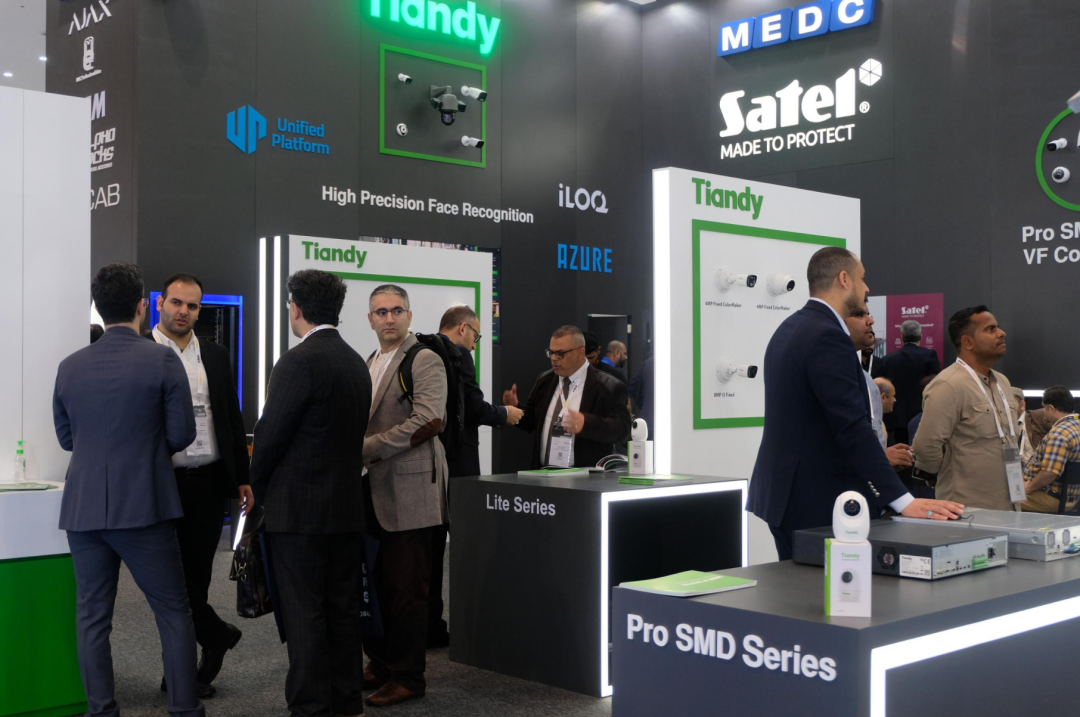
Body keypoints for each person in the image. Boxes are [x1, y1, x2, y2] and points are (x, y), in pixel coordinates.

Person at [53, 263, 204, 717]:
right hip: (144, 505)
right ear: (143, 306)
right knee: (172, 612)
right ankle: (183, 710)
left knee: (92, 617)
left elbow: (67, 438)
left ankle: (101, 710)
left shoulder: (69, 366)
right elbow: (182, 433)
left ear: (98, 308)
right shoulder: (162, 360)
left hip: (83, 509)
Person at [746, 247, 963, 560]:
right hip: (815, 498)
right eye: (862, 279)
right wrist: (903, 500)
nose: (866, 287)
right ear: (844, 279)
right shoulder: (827, 335)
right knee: (828, 589)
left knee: (799, 586)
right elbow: (850, 426)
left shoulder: (790, 328)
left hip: (785, 495)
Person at [250, 269, 371, 717]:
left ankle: (310, 707)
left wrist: (257, 489)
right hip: (346, 508)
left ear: (296, 308)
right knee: (342, 610)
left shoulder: (297, 361)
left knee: (303, 612)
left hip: (298, 514)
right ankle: (347, 700)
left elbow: (269, 438)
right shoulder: (356, 361)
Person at [153, 274, 252, 698]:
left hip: (209, 482)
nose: (183, 312)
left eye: (192, 306)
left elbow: (230, 416)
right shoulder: (143, 351)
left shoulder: (214, 353)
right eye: (176, 302)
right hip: (162, 482)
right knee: (168, 581)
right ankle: (215, 634)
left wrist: (243, 477)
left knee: (196, 576)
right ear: (159, 303)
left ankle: (182, 671)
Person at [362, 284, 449, 707]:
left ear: (409, 316)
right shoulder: (370, 361)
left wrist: (367, 448)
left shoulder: (424, 358)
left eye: (397, 310)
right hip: (374, 491)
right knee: (378, 586)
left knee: (408, 591)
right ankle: (382, 664)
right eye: (381, 312)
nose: (389, 318)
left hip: (412, 492)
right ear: (370, 319)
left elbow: (429, 421)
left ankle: (409, 677)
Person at [427, 305, 524, 647]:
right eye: (477, 336)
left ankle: (429, 624)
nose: (474, 343)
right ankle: (472, 627)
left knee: (430, 551)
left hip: (430, 464)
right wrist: (504, 413)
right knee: (468, 549)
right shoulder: (458, 355)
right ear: (463, 328)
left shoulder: (423, 351)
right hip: (460, 467)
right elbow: (472, 408)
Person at [912, 306, 1021, 511]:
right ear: (967, 342)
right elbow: (926, 446)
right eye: (990, 329)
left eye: (998, 327)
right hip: (968, 508)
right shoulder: (948, 384)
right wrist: (940, 474)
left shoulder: (1002, 382)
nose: (1001, 333)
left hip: (1010, 502)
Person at [502, 325, 632, 468]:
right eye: (551, 352)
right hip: (543, 474)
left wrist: (586, 423)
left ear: (580, 353)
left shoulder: (609, 386)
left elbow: (622, 429)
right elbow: (532, 421)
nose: (554, 358)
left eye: (560, 353)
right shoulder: (545, 380)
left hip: (586, 476)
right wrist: (515, 409)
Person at [845, 310, 912, 469]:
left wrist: (881, 456)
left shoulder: (867, 373)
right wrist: (879, 457)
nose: (871, 321)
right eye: (860, 314)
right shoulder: (839, 371)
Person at [879, 319, 941, 444]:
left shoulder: (887, 360)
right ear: (920, 336)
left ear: (901, 337)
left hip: (896, 418)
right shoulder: (929, 355)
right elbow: (936, 385)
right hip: (922, 415)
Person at [1022, 386, 1080, 514]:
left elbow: (1050, 473)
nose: (1043, 411)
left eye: (1044, 407)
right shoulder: (1076, 426)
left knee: (1000, 499)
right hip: (1071, 498)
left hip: (1051, 498)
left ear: (1052, 408)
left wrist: (1028, 488)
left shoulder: (1059, 434)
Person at [629, 356, 655, 439]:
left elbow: (633, 388)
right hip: (672, 424)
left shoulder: (648, 362)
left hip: (646, 423)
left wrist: (645, 404)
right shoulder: (679, 363)